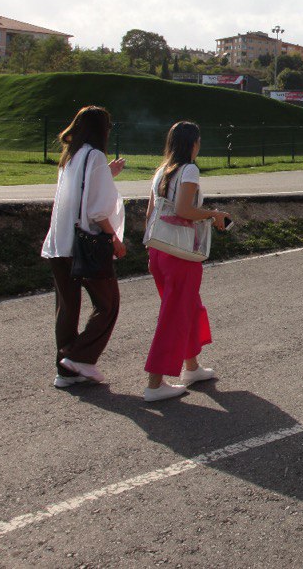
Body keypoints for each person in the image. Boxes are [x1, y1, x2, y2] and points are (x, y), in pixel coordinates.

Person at [141, 121, 233, 402]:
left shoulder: (161, 171)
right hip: (180, 253)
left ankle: (191, 366)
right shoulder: (189, 169)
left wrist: (150, 250)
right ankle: (155, 383)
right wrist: (213, 215)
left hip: (159, 249)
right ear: (192, 143)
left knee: (188, 308)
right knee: (174, 314)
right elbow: (184, 210)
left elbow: (150, 213)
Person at [40, 106, 127, 389]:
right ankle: (79, 357)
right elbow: (97, 210)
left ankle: (65, 372)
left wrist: (107, 173)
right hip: (86, 244)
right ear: (101, 129)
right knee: (108, 304)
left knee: (67, 308)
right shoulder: (96, 156)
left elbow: (80, 194)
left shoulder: (71, 157)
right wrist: (114, 238)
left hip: (59, 243)